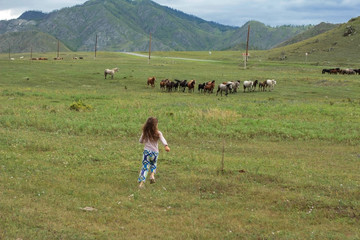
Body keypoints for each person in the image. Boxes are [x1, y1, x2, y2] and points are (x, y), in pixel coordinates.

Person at [138, 117, 170, 188]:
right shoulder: (158, 133)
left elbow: (140, 141)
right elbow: (163, 140)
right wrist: (166, 146)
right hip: (155, 153)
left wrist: (145, 140)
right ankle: (152, 175)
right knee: (153, 164)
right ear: (155, 125)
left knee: (145, 167)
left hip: (146, 152)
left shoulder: (145, 132)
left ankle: (141, 183)